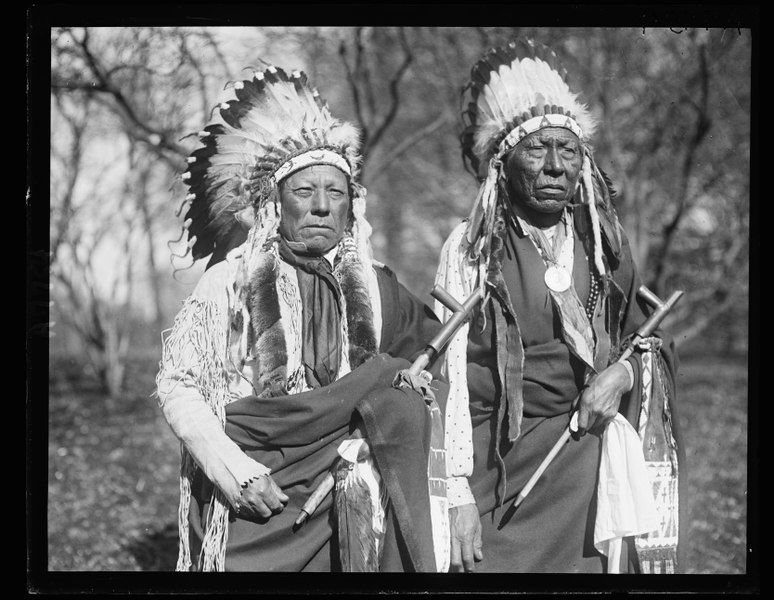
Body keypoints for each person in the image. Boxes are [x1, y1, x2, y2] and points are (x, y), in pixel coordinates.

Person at [156, 65, 450, 572]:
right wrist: (237, 474)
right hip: (254, 492)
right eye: (303, 192)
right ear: (275, 203)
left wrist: (377, 426)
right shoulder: (228, 281)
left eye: (335, 193)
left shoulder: (379, 287)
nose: (320, 207)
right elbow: (179, 386)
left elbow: (424, 370)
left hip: (342, 489)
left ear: (351, 207)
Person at [433, 40, 685, 573]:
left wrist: (621, 375)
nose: (553, 166)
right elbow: (447, 375)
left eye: (567, 151)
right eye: (536, 149)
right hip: (493, 469)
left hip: (587, 469)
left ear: (584, 163)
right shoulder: (473, 247)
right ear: (503, 163)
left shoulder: (604, 245)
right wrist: (454, 493)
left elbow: (647, 344)